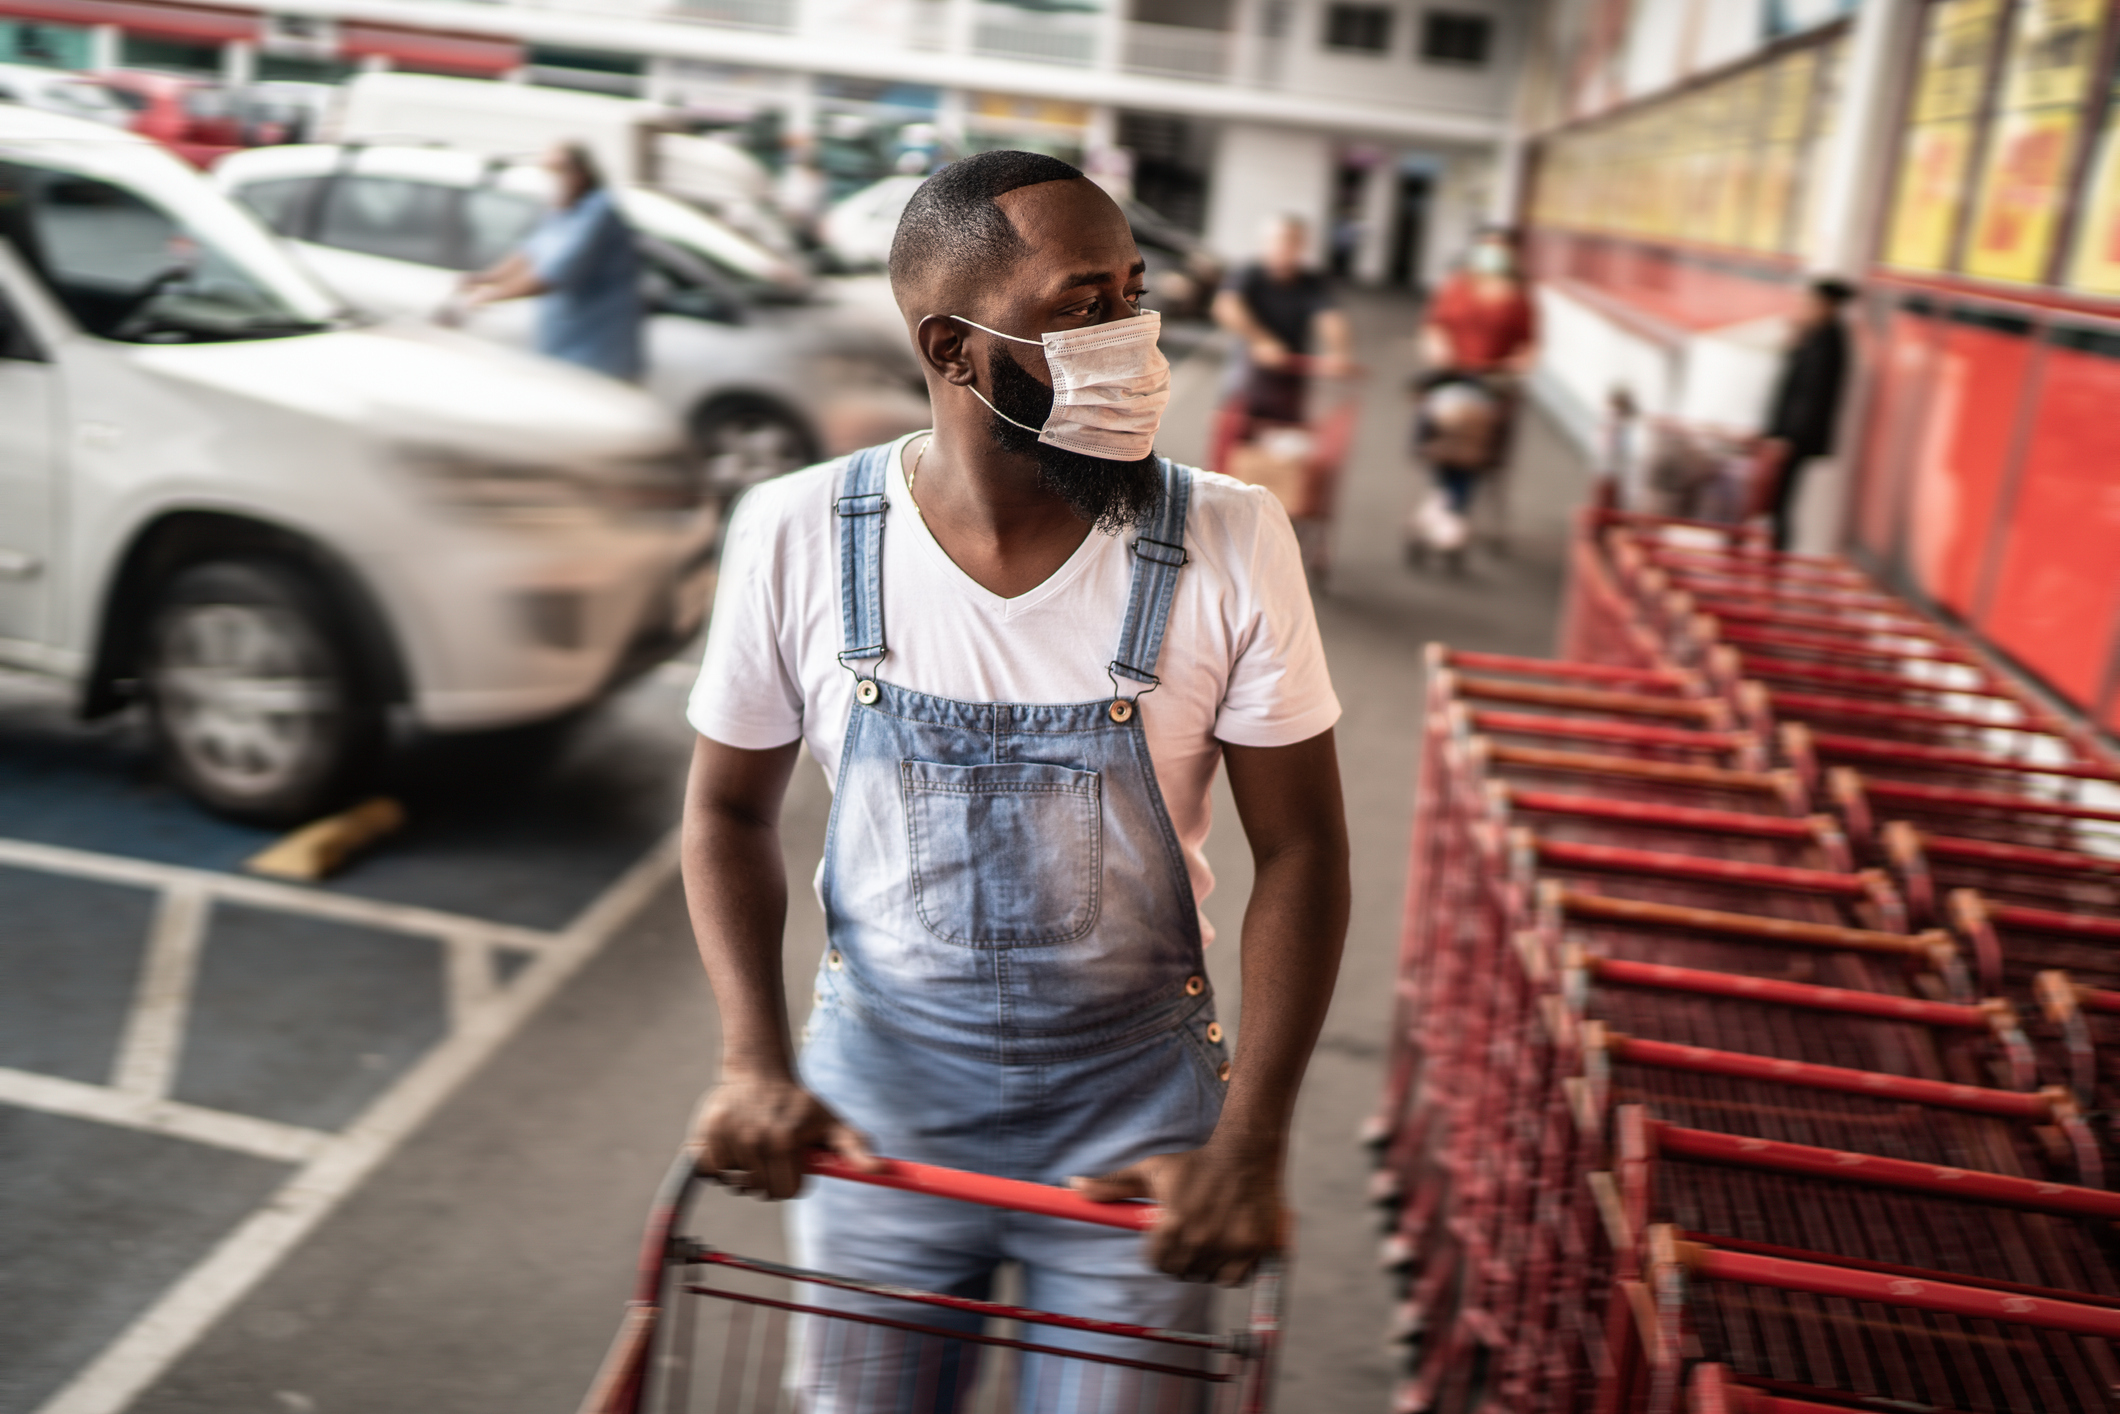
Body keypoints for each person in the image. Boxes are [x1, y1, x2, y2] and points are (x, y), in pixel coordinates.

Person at [684, 149, 1350, 1410]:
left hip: (1137, 1137)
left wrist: (1247, 1141)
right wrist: (751, 1059)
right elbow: (725, 810)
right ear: (951, 347)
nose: (1134, 339)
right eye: (1082, 305)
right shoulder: (795, 537)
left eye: (1136, 294)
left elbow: (1304, 850)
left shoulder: (1230, 541)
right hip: (878, 1125)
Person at [453, 141, 642, 381]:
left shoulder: (599, 212)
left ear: (580, 174)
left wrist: (490, 296)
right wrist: (486, 279)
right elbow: (529, 253)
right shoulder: (563, 209)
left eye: (557, 172)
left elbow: (553, 275)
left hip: (598, 353)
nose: (551, 180)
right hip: (566, 346)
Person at [1211, 213, 1354, 425]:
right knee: (1234, 425)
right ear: (1267, 243)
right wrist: (1261, 340)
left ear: (1302, 246)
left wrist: (1339, 352)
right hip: (1250, 368)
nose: (1286, 247)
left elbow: (1331, 318)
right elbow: (1226, 306)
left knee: (1286, 433)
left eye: (1293, 241)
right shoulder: (1249, 273)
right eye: (1281, 239)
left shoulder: (1311, 282)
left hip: (1291, 370)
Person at [1757, 277, 1854, 550]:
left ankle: (1776, 562)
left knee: (1780, 505)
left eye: (1811, 304)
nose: (1805, 309)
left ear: (1827, 306)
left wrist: (1788, 438)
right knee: (1773, 504)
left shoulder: (1829, 343)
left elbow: (1811, 397)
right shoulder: (1815, 336)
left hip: (1793, 440)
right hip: (1788, 436)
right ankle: (1774, 558)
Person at [1418, 225, 1537, 378]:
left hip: (1496, 375)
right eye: (1487, 246)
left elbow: (1528, 340)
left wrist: (1522, 360)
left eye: (1498, 248)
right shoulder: (1457, 285)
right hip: (1451, 370)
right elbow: (1435, 322)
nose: (1492, 253)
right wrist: (1436, 347)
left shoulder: (1520, 295)